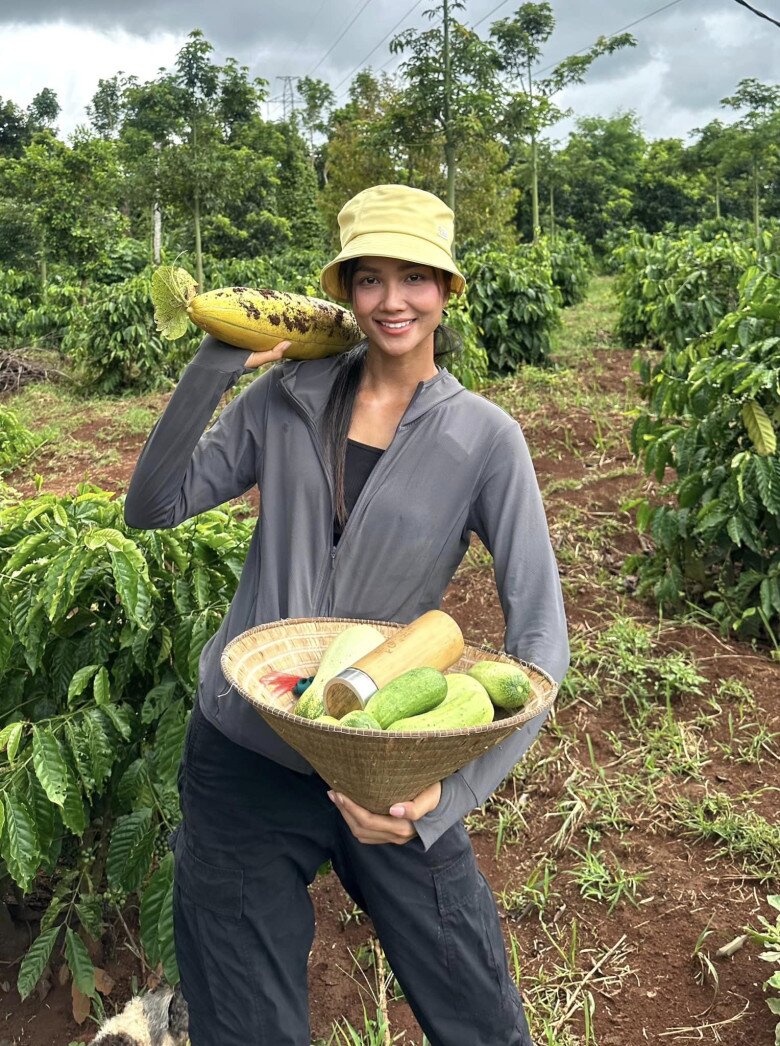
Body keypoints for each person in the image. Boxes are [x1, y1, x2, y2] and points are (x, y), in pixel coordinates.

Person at [124, 183, 569, 1046]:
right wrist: (217, 359)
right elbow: (154, 504)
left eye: (415, 278)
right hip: (245, 748)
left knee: (478, 1013)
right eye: (369, 279)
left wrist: (445, 795)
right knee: (247, 1024)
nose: (392, 301)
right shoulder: (284, 398)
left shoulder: (485, 437)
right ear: (346, 291)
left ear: (446, 290)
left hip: (389, 765)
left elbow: (543, 638)